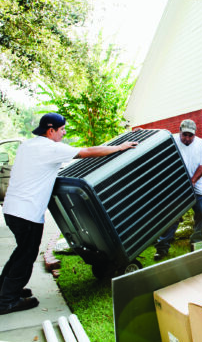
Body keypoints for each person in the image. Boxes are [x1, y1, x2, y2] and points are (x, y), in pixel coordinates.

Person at [0, 113, 138, 315]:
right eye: (62, 129)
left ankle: (6, 290)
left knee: (21, 252)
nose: (64, 133)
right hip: (27, 212)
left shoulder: (28, 146)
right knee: (25, 255)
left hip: (13, 210)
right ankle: (7, 301)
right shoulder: (50, 148)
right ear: (51, 130)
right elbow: (88, 151)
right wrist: (119, 147)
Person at [154, 119, 202, 260]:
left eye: (190, 135)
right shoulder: (171, 140)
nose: (187, 138)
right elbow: (155, 143)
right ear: (179, 131)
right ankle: (162, 248)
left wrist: (192, 181)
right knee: (172, 217)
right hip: (177, 188)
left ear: (194, 134)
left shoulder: (200, 143)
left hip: (197, 186)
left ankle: (195, 244)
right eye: (184, 135)